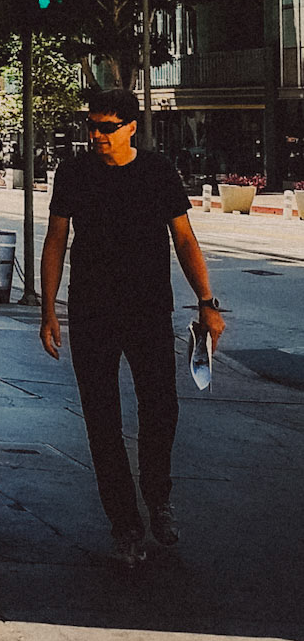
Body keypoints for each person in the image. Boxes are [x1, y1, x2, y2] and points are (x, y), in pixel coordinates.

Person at [40, 87, 226, 567]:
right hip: (90, 313)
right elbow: (56, 239)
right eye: (92, 126)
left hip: (147, 311)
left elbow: (184, 238)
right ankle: (125, 524)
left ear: (130, 129)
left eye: (106, 127)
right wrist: (48, 311)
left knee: (160, 409)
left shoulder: (157, 171)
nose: (96, 135)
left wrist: (207, 303)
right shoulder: (74, 173)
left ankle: (157, 496)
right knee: (102, 421)